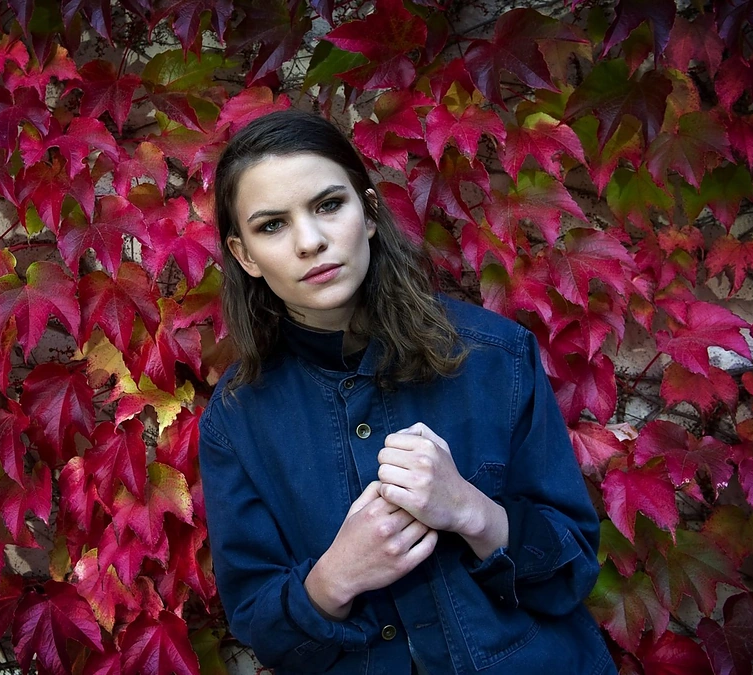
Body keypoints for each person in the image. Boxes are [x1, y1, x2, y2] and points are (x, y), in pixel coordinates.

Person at [197, 109, 617, 675]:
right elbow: (261, 626)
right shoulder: (237, 419)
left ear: (368, 212)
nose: (310, 241)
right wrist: (333, 578)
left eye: (328, 205)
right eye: (272, 225)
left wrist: (473, 511)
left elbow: (573, 571)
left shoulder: (494, 357)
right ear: (244, 255)